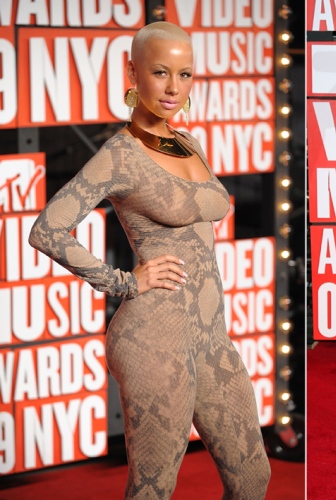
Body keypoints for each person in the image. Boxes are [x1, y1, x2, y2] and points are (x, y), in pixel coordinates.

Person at [29, 22, 271, 499]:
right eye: (161, 72)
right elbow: (47, 230)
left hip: (210, 336)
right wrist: (123, 281)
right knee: (153, 490)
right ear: (133, 73)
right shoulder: (120, 155)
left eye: (185, 75)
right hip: (153, 339)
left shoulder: (189, 143)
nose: (173, 88)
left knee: (253, 478)